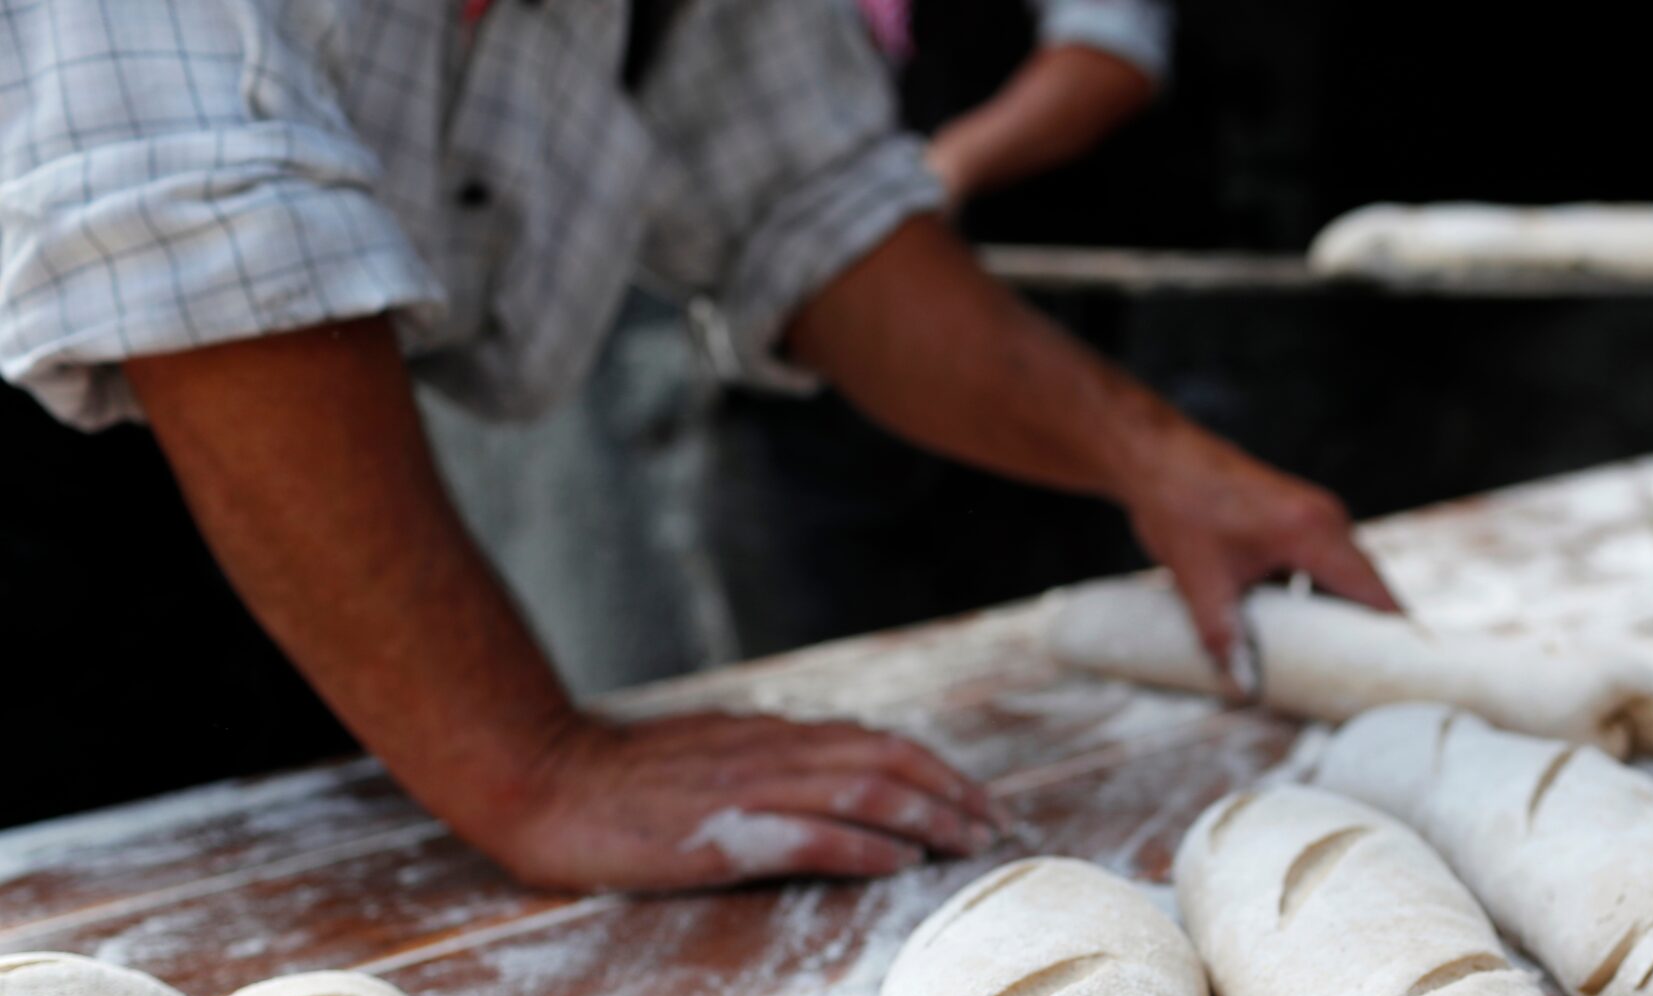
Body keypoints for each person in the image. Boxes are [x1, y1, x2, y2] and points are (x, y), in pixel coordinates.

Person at [0, 0, 1391, 890]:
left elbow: (824, 218)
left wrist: (1159, 460)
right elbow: (205, 249)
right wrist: (530, 759)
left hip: (292, 518)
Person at [704, 0, 1177, 658]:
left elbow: (1115, 48)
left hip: (1019, 400)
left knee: (1046, 662)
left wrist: (942, 170)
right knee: (821, 676)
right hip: (800, 428)